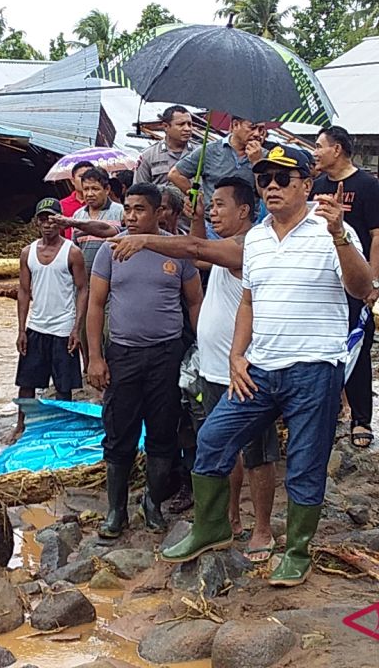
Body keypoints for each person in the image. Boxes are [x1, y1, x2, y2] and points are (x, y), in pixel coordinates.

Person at [162, 145, 373, 587]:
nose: (272, 186)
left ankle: (296, 551)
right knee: (214, 437)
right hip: (261, 367)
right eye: (265, 179)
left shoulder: (333, 230)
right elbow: (249, 301)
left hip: (315, 368)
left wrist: (338, 235)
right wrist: (237, 355)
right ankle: (213, 526)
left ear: (305, 183)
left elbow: (362, 288)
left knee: (305, 461)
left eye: (282, 178)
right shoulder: (256, 237)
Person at [110, 177, 279, 562]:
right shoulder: (224, 244)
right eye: (211, 205)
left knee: (257, 453)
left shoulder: (248, 245)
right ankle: (230, 519)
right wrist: (199, 218)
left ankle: (263, 530)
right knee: (221, 449)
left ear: (244, 211)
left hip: (245, 369)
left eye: (220, 204)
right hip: (216, 368)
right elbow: (198, 254)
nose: (215, 210)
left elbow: (195, 247)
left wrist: (145, 239)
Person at [87, 182, 203, 539]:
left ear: (158, 213)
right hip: (122, 354)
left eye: (140, 209)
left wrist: (202, 346)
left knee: (163, 431)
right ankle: (116, 511)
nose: (131, 216)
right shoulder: (111, 250)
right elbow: (95, 304)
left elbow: (195, 302)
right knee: (119, 432)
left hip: (167, 355)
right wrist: (95, 357)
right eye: (128, 209)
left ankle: (152, 504)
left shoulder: (177, 251)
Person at [311, 126, 379, 449]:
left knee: (359, 347)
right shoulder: (316, 186)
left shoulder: (367, 185)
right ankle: (330, 410)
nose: (315, 152)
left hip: (355, 278)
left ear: (338, 149)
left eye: (319, 146)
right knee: (327, 345)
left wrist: (372, 279)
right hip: (326, 279)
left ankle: (361, 418)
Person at [7, 198, 89, 443]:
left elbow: (83, 289)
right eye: (43, 218)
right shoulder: (27, 252)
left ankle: (62, 427)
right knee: (27, 382)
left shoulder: (72, 252)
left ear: (61, 221)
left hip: (63, 327)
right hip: (36, 326)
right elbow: (23, 291)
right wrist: (21, 329)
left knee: (64, 386)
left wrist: (77, 327)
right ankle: (21, 425)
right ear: (36, 222)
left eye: (53, 218)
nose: (48, 223)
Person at [168, 115, 264, 229]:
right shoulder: (210, 150)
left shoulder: (266, 156)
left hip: (248, 226)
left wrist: (257, 163)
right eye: (252, 128)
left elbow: (265, 192)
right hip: (211, 224)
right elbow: (175, 174)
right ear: (235, 125)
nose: (257, 134)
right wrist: (198, 197)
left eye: (261, 129)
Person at [71, 167, 125, 275]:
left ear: (107, 189)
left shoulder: (121, 212)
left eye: (95, 189)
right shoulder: (78, 215)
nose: (90, 194)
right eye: (86, 189)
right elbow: (75, 250)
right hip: (86, 278)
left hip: (113, 277)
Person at [135, 106, 196, 188]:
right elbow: (139, 191)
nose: (187, 128)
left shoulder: (200, 153)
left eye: (190, 124)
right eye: (181, 124)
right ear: (166, 126)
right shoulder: (148, 156)